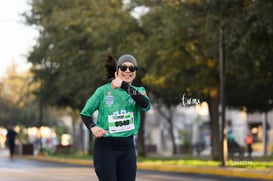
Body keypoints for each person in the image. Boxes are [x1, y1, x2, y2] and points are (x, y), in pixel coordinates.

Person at [80, 53, 151, 181]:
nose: (127, 71)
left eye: (132, 68)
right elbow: (85, 113)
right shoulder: (103, 91)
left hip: (127, 147)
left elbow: (145, 104)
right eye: (123, 68)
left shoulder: (138, 91)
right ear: (117, 71)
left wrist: (124, 85)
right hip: (105, 148)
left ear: (135, 72)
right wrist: (93, 126)